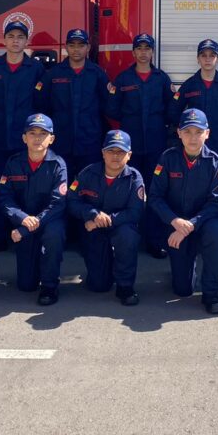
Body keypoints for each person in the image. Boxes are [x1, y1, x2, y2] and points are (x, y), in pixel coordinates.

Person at [148, 109, 218, 314]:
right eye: (188, 131)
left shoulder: (214, 161)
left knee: (217, 232)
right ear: (179, 133)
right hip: (176, 225)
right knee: (182, 289)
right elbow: (155, 197)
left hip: (202, 223)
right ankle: (182, 267)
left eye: (198, 132)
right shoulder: (168, 159)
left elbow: (217, 201)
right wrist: (174, 221)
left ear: (207, 133)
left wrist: (192, 224)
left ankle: (211, 294)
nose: (193, 137)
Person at [107, 33, 173, 258]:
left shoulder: (161, 79)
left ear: (152, 52)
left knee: (155, 192)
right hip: (130, 145)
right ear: (133, 52)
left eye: (148, 49)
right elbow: (113, 109)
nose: (143, 52)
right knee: (126, 192)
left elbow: (170, 109)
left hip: (155, 144)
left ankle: (154, 240)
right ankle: (127, 237)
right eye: (140, 49)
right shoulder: (123, 79)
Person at [0, 19, 44, 248]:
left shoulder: (36, 69)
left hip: (25, 141)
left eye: (20, 37)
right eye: (11, 37)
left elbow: (42, 104)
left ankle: (25, 234)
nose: (15, 41)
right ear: (4, 40)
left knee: (26, 188)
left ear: (26, 41)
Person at [66, 130, 144, 305]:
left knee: (127, 236)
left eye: (121, 152)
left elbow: (135, 212)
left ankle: (125, 286)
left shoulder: (135, 178)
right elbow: (71, 201)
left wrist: (107, 220)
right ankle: (102, 271)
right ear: (103, 152)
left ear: (129, 155)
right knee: (99, 285)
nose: (115, 156)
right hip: (92, 229)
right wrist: (92, 214)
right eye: (111, 151)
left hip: (121, 226)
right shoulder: (86, 174)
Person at [0, 113, 67, 306]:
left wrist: (29, 225)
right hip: (24, 222)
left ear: (51, 139)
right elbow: (5, 198)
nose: (37, 138)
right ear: (24, 137)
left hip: (48, 222)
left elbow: (57, 204)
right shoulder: (13, 163)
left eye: (43, 133)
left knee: (54, 235)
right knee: (26, 285)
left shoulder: (58, 165)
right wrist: (21, 218)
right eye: (32, 133)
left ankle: (50, 285)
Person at [36, 28, 111, 181]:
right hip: (61, 142)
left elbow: (108, 105)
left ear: (88, 48)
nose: (76, 49)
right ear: (66, 47)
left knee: (89, 184)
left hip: (90, 141)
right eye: (72, 45)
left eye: (81, 45)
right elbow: (41, 105)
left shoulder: (97, 74)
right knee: (61, 183)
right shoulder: (53, 74)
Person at [167, 38, 218, 181]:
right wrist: (187, 129)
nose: (208, 59)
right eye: (203, 55)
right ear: (198, 59)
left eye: (212, 55)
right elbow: (173, 112)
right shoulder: (190, 85)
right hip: (195, 143)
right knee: (196, 181)